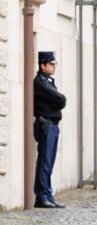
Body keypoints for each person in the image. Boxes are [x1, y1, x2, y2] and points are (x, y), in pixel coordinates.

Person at [33, 51, 66, 209]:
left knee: (49, 161)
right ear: (43, 65)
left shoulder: (48, 81)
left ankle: (47, 194)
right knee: (45, 162)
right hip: (45, 125)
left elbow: (59, 102)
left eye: (55, 64)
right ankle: (42, 196)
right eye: (51, 64)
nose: (54, 67)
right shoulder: (40, 82)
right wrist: (57, 102)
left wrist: (57, 102)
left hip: (52, 125)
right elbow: (60, 99)